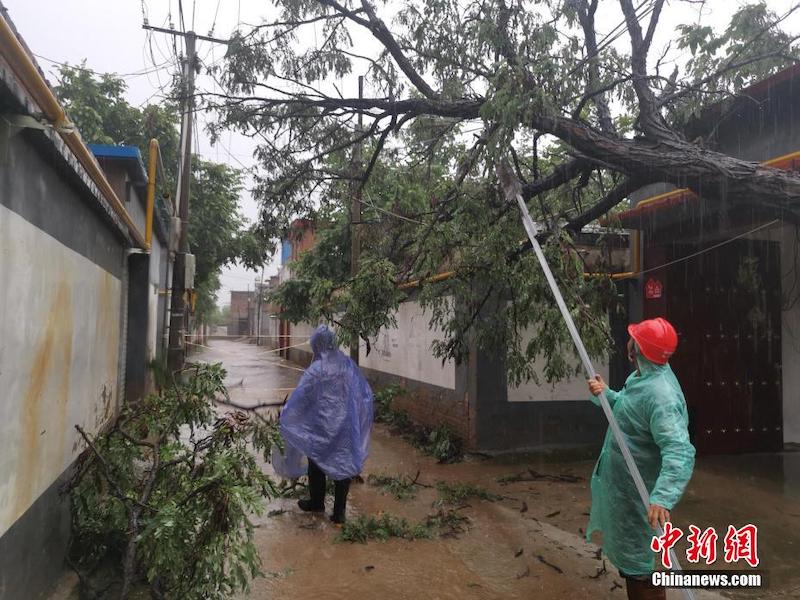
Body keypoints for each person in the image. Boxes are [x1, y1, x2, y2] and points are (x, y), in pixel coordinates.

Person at [586, 317, 695, 600]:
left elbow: (679, 450)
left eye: (633, 338)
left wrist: (662, 497)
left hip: (642, 495)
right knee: (634, 565)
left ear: (640, 349)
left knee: (643, 569)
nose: (628, 342)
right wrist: (607, 394)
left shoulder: (661, 395)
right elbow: (629, 410)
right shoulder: (642, 378)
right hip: (627, 491)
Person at [278, 325, 374, 524]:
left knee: (316, 463)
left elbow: (301, 398)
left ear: (317, 345)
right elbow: (363, 395)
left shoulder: (316, 370)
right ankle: (339, 512)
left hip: (321, 425)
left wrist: (288, 416)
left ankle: (317, 502)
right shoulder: (348, 365)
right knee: (344, 463)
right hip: (346, 427)